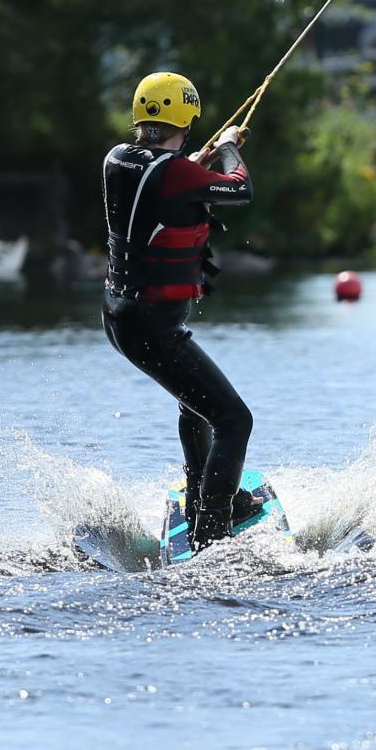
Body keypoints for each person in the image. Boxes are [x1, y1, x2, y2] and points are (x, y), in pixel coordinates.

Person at [100, 71, 261, 550]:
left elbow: (161, 181)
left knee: (197, 405)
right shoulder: (177, 172)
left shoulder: (117, 159)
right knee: (235, 421)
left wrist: (193, 162)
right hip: (153, 324)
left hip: (120, 317)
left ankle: (206, 502)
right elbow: (240, 189)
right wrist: (230, 146)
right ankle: (212, 530)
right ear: (188, 118)